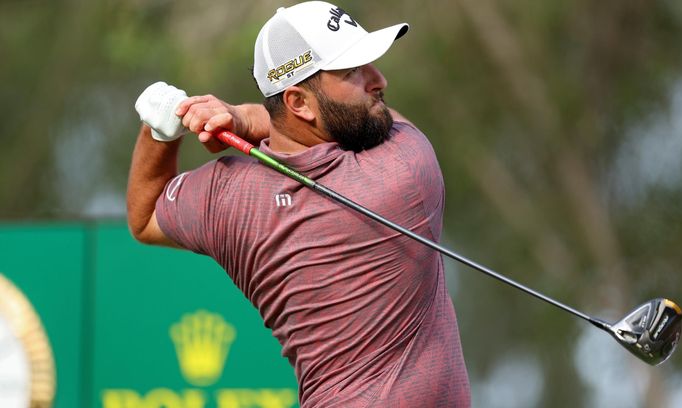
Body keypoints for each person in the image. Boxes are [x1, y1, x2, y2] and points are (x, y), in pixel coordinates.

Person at [128, 1, 470, 406]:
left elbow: (144, 217)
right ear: (299, 103)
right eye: (352, 72)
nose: (379, 80)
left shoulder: (227, 197)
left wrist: (160, 131)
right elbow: (380, 121)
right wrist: (242, 118)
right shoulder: (403, 170)